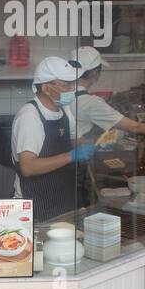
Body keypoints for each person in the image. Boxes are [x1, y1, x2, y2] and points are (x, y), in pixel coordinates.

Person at [11, 57, 93, 222]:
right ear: (47, 88)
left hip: (62, 199)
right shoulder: (30, 117)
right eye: (66, 84)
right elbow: (28, 166)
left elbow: (71, 141)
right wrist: (71, 156)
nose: (72, 89)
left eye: (73, 83)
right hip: (36, 204)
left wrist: (97, 144)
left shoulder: (63, 109)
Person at [73, 46, 145, 140]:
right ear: (95, 73)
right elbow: (134, 127)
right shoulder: (91, 102)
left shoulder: (62, 90)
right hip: (78, 150)